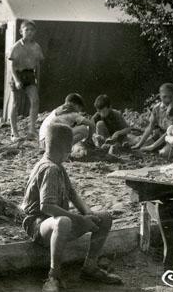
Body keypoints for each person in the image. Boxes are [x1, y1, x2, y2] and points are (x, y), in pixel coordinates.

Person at [21, 123, 122, 292]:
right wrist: (80, 219)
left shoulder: (58, 166)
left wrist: (88, 213)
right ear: (66, 149)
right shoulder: (50, 169)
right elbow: (46, 207)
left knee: (104, 217)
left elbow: (72, 193)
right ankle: (53, 275)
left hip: (53, 222)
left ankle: (90, 267)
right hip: (38, 224)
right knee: (64, 222)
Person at [8, 20, 44, 141]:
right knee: (15, 103)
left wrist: (37, 80)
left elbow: (38, 65)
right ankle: (14, 132)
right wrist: (17, 80)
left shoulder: (36, 47)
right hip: (17, 75)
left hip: (29, 75)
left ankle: (31, 130)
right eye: (26, 30)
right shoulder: (16, 47)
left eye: (32, 30)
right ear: (21, 31)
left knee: (35, 100)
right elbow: (12, 66)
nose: (29, 32)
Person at [132, 83, 173, 154]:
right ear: (160, 95)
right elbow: (150, 127)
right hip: (160, 135)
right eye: (164, 97)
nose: (167, 100)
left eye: (170, 97)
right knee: (140, 147)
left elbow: (171, 131)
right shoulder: (156, 108)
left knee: (163, 153)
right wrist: (139, 144)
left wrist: (153, 146)